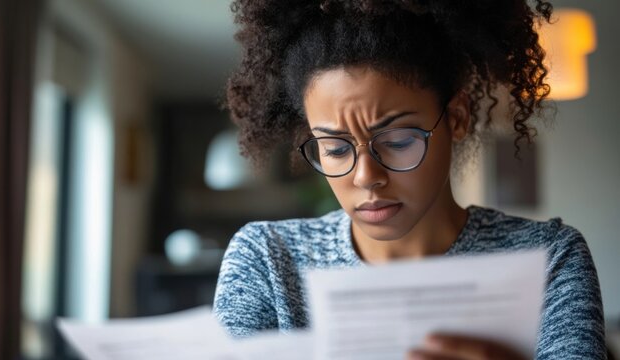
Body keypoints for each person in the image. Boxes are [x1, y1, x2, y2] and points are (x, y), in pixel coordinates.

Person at [212, 0, 606, 359]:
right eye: (334, 148)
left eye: (398, 141)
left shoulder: (549, 258)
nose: (366, 177)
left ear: (456, 118)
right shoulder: (267, 260)